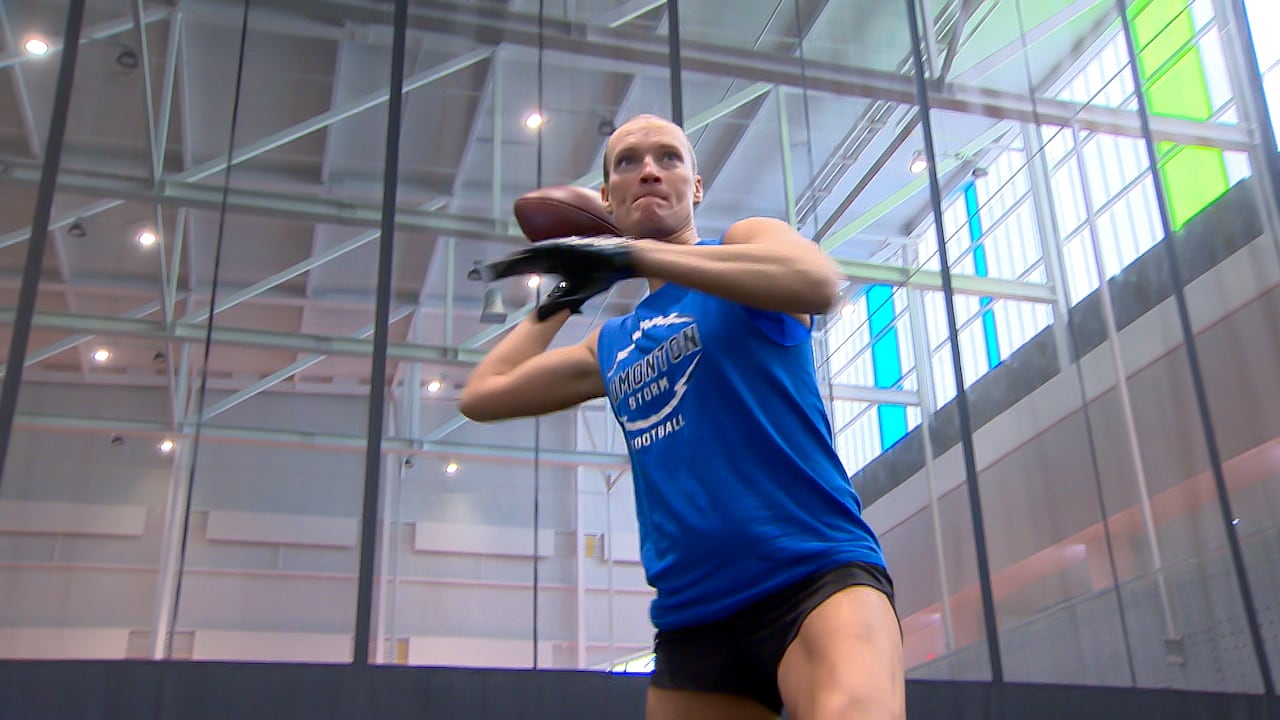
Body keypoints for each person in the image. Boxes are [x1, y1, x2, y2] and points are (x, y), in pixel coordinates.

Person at [459, 114, 904, 720]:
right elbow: (483, 395)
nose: (648, 169)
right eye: (627, 162)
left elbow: (818, 282)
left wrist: (634, 256)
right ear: (608, 202)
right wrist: (570, 293)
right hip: (693, 619)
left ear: (696, 188)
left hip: (813, 576)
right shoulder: (612, 344)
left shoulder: (747, 246)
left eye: (668, 158)